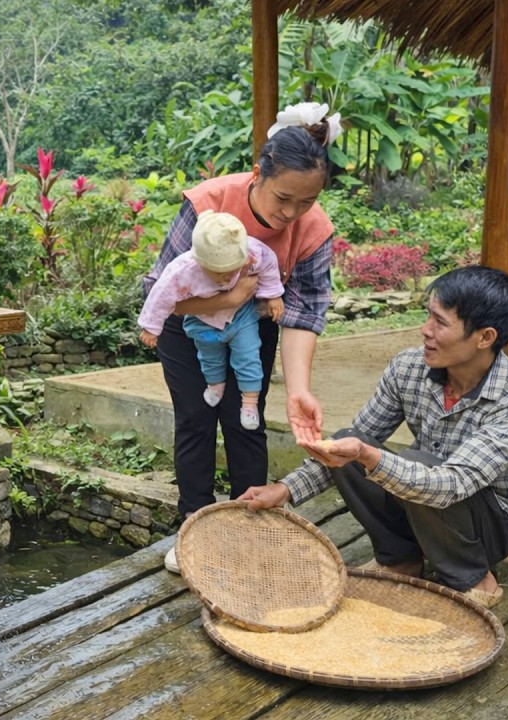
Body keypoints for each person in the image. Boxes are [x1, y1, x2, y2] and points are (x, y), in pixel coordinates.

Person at [240, 266, 508, 608]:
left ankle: (474, 577)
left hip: (492, 527)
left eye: (440, 322)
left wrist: (368, 455)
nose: (425, 331)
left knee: (399, 461)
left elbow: (452, 484)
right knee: (349, 441)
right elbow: (355, 442)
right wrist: (284, 490)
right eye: (428, 317)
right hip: (423, 503)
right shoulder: (408, 368)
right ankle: (400, 557)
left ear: (485, 337)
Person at [143, 103, 343, 574]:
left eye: (306, 203)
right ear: (258, 174)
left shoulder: (314, 231)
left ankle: (249, 525)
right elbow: (161, 294)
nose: (290, 215)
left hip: (252, 326)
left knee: (245, 420)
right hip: (187, 326)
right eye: (283, 199)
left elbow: (303, 312)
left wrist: (299, 390)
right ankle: (194, 526)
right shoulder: (206, 204)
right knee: (195, 417)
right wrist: (233, 295)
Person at [138, 210, 285, 431]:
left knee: (248, 357)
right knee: (209, 356)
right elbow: (160, 296)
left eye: (231, 270)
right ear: (199, 262)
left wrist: (272, 294)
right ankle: (215, 384)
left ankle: (250, 403)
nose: (226, 277)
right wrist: (151, 327)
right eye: (218, 273)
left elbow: (269, 264)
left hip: (241, 316)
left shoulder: (253, 252)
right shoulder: (181, 270)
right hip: (203, 319)